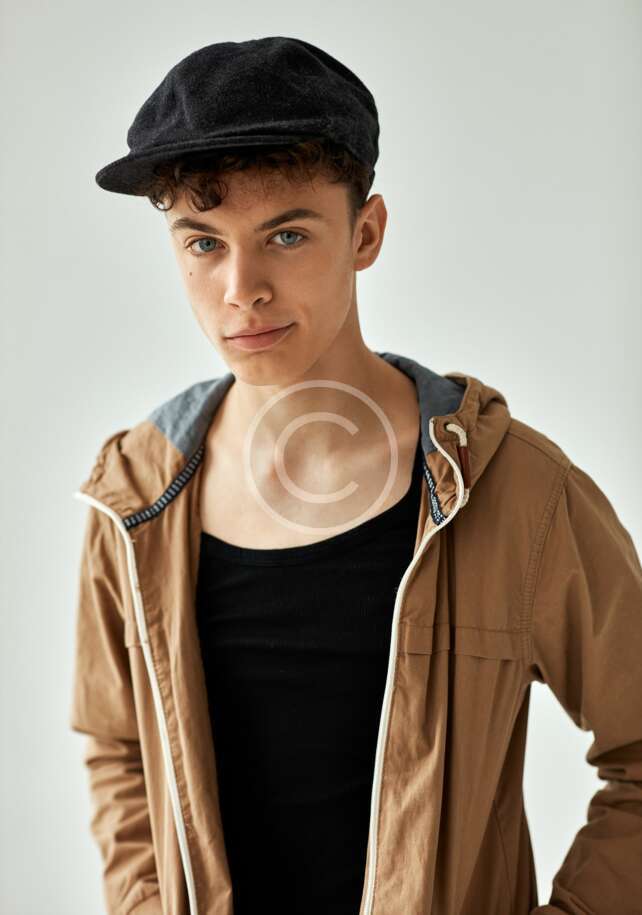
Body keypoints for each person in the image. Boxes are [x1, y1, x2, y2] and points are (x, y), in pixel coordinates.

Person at [69, 36, 642, 915]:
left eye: (286, 235)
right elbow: (119, 751)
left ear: (365, 233)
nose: (242, 287)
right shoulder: (136, 499)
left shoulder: (514, 492)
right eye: (204, 243)